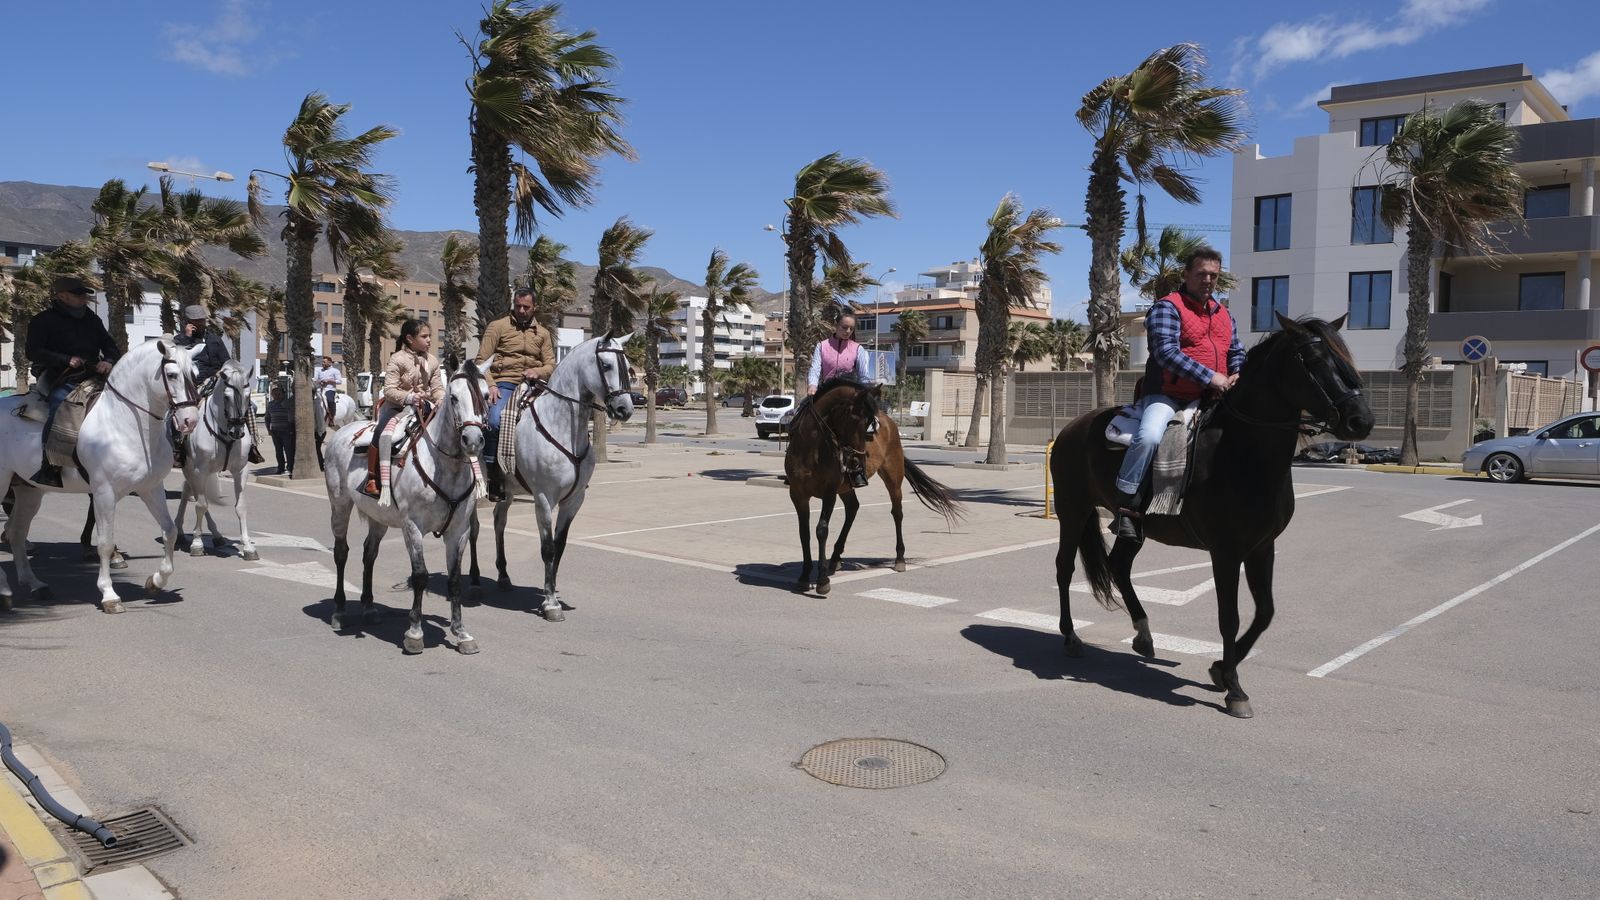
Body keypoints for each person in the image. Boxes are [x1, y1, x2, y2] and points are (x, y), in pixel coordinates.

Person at [1111, 247, 1245, 542]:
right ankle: (1126, 507)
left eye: (1213, 275)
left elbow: (1235, 351)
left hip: (1213, 396)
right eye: (1201, 274)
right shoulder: (1167, 308)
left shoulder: (1224, 315)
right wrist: (1212, 377)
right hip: (1168, 395)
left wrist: (1238, 372)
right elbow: (1167, 353)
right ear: (1186, 275)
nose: (1207, 280)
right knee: (1148, 437)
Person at [27, 276, 121, 487]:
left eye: (84, 294)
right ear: (62, 296)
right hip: (57, 374)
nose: (83, 298)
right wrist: (65, 359)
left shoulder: (92, 319)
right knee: (61, 406)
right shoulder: (43, 320)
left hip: (93, 373)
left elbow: (109, 345)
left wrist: (109, 360)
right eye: (78, 295)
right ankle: (50, 466)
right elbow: (32, 351)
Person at [477, 288, 555, 501]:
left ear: (534, 308)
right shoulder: (497, 327)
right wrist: (491, 386)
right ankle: (494, 477)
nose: (521, 310)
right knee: (494, 421)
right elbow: (481, 362)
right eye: (518, 306)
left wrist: (537, 371)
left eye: (526, 307)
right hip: (505, 383)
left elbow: (550, 364)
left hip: (534, 384)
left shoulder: (543, 334)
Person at [362, 318, 444, 498]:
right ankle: (372, 478)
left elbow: (437, 388)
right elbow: (389, 390)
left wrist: (441, 399)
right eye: (424, 336)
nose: (429, 340)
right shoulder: (397, 359)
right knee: (383, 433)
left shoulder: (432, 361)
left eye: (429, 336)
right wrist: (409, 397)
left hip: (426, 407)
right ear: (409, 338)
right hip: (398, 407)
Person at [797, 312, 876, 488]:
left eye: (851, 328)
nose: (847, 331)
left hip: (850, 396)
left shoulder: (858, 349)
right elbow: (815, 368)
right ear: (836, 326)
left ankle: (856, 470)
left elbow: (863, 376)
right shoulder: (822, 346)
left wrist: (863, 394)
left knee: (861, 427)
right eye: (844, 327)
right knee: (799, 416)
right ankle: (797, 463)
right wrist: (812, 385)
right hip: (826, 393)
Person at [264, 385, 295, 475]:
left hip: (286, 431)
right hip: (275, 431)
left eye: (278, 394)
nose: (276, 396)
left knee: (288, 450)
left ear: (282, 394)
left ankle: (290, 467)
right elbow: (267, 417)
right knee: (278, 451)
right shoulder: (270, 404)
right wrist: (268, 429)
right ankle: (280, 467)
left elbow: (291, 416)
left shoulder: (287, 403)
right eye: (274, 394)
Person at [313, 355, 344, 428]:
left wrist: (329, 381)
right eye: (322, 362)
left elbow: (339, 381)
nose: (322, 363)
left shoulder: (335, 371)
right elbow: (315, 379)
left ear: (329, 363)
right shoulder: (319, 371)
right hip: (320, 389)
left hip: (329, 389)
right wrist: (319, 381)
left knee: (330, 401)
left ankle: (331, 418)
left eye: (324, 362)